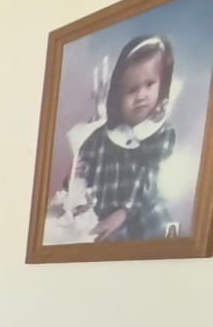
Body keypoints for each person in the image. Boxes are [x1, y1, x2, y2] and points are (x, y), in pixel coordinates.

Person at [72, 35, 176, 241]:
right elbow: (81, 164)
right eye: (132, 90)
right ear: (118, 96)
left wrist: (124, 212)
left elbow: (150, 177)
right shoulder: (100, 136)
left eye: (149, 84)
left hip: (143, 214)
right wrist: (78, 191)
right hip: (102, 218)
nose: (141, 95)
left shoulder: (161, 133)